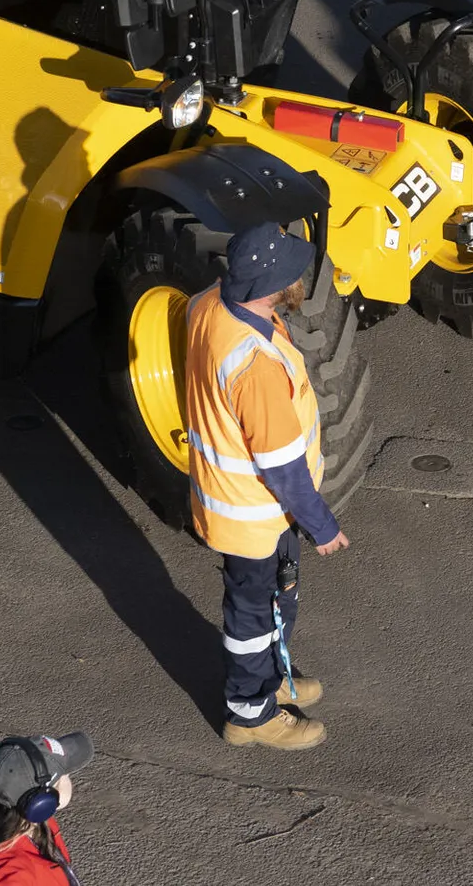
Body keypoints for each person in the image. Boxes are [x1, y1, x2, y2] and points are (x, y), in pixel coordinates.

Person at [181, 224, 345, 750]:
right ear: (272, 285)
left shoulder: (210, 301)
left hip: (245, 504)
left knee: (275, 601)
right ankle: (250, 715)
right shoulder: (254, 368)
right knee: (252, 615)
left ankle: (273, 681)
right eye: (293, 272)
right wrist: (323, 526)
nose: (301, 278)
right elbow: (283, 467)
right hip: (253, 513)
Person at [0, 733, 90, 886]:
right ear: (43, 800)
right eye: (66, 774)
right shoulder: (11, 875)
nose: (69, 778)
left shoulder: (39, 826)